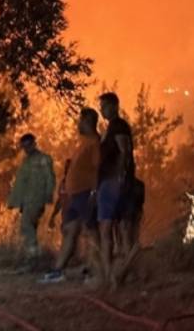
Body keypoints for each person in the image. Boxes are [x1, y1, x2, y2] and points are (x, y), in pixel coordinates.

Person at [41, 108, 101, 284]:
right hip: (74, 196)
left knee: (92, 232)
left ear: (88, 121)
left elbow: (97, 169)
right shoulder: (83, 142)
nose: (78, 124)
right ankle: (58, 271)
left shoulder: (94, 143)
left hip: (84, 193)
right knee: (71, 232)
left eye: (80, 120)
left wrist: (94, 193)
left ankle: (96, 270)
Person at [96, 91, 135, 288]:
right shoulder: (112, 127)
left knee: (107, 229)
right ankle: (123, 274)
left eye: (103, 106)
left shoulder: (118, 126)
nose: (101, 110)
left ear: (114, 105)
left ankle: (111, 276)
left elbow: (125, 152)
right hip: (113, 183)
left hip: (113, 184)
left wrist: (120, 177)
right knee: (121, 229)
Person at [7, 133, 56, 259]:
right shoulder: (26, 162)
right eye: (24, 147)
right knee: (31, 226)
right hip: (27, 200)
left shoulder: (43, 159)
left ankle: (34, 253)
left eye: (28, 145)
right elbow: (20, 183)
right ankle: (33, 256)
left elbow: (50, 177)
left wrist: (48, 195)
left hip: (37, 199)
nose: (26, 149)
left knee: (26, 225)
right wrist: (14, 201)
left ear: (34, 144)